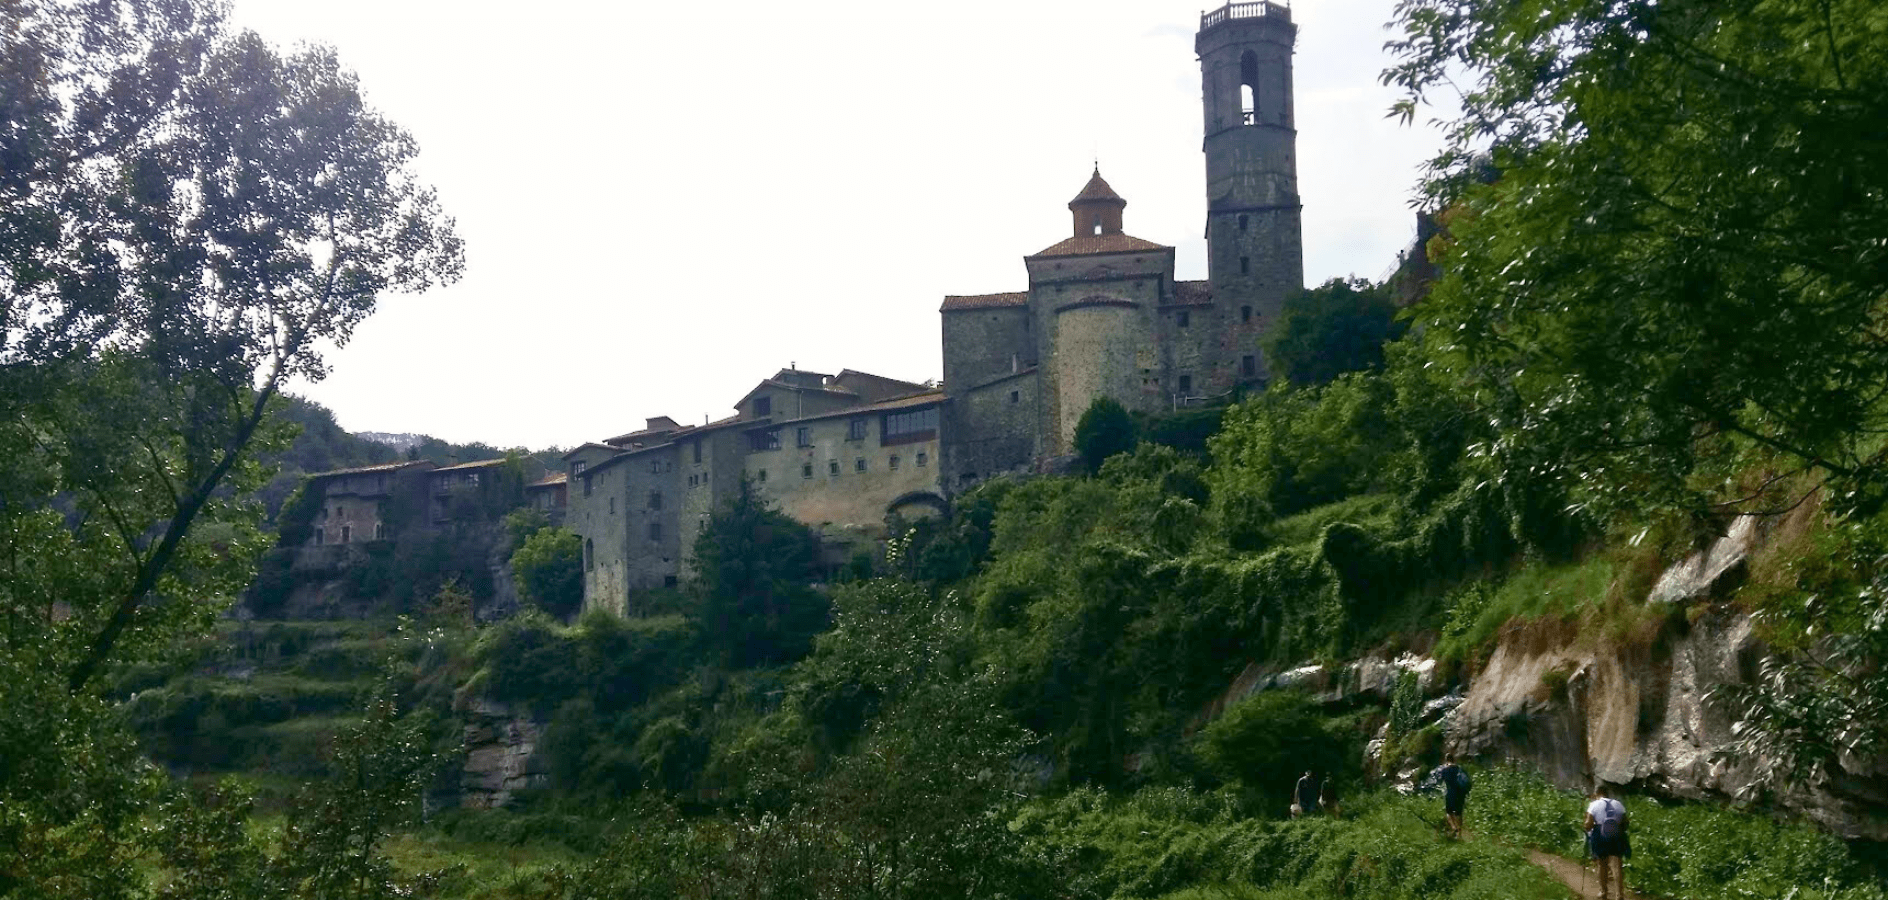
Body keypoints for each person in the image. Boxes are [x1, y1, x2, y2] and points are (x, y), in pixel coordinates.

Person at [1585, 784, 1631, 900]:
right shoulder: (1618, 804)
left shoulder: (1594, 805)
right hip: (1616, 834)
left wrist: (1585, 827)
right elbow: (1626, 823)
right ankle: (1619, 894)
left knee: (1602, 864)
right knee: (1616, 865)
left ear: (1597, 793)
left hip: (1600, 834)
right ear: (1607, 794)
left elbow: (1589, 824)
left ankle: (1603, 891)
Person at [1435, 755, 1470, 838]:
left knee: (1449, 812)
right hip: (1460, 793)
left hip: (1450, 793)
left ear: (1446, 760)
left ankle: (1454, 827)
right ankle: (1460, 834)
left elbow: (1441, 780)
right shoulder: (1460, 769)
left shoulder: (1444, 770)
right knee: (1459, 813)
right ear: (1454, 759)